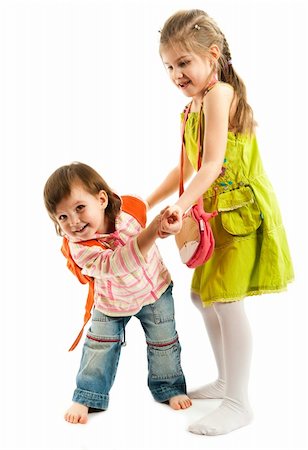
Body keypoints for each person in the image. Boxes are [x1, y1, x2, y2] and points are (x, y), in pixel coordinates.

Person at [146, 9, 294, 436]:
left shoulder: (218, 94)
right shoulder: (192, 107)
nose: (176, 73)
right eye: (169, 66)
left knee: (226, 302)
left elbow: (210, 166)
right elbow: (187, 166)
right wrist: (147, 200)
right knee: (203, 299)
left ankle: (239, 401)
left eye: (183, 62)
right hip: (215, 213)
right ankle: (227, 382)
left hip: (241, 211)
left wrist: (179, 208)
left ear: (213, 55)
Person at [43, 161, 192, 425]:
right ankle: (88, 394)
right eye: (63, 217)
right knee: (99, 347)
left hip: (155, 290)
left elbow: (154, 197)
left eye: (79, 208)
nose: (74, 222)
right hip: (111, 303)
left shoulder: (128, 211)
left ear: (101, 199)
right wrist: (154, 231)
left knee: (164, 342)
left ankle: (168, 386)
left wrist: (184, 179)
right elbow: (119, 262)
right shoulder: (80, 248)